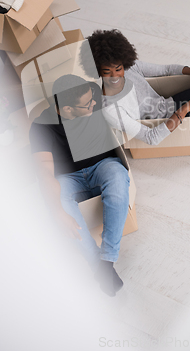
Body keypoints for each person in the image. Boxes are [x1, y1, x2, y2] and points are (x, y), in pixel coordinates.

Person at [29, 74, 130, 297]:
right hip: (69, 178)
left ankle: (106, 262)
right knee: (56, 203)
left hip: (103, 165)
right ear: (66, 109)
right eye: (87, 104)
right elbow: (45, 172)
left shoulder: (92, 96)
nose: (93, 104)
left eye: (92, 99)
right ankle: (100, 266)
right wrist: (57, 211)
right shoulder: (40, 127)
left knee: (118, 178)